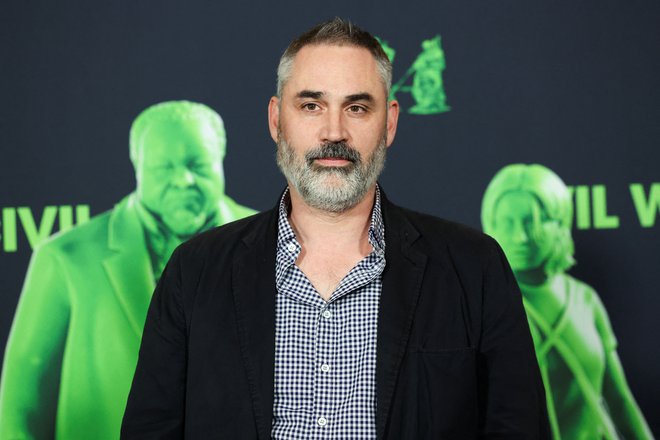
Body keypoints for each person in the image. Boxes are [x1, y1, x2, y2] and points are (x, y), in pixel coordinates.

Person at [122, 19, 549, 438]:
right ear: (276, 121)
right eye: (311, 105)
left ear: (390, 123)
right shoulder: (194, 273)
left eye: (357, 107)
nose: (334, 132)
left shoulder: (474, 268)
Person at [0, 101, 256, 439]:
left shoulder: (273, 245)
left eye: (198, 164)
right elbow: (20, 407)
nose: (183, 180)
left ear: (220, 161)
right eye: (163, 167)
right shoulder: (65, 257)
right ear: (138, 167)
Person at [481, 163, 653, 439]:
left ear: (560, 222)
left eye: (534, 220)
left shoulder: (584, 299)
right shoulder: (485, 305)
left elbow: (619, 400)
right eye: (507, 222)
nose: (522, 236)